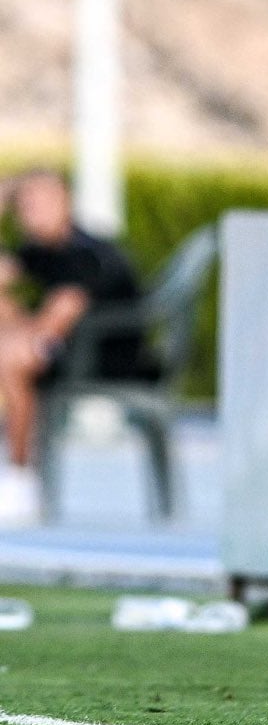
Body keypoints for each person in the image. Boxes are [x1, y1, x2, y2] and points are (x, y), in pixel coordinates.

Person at [0, 170, 154, 526]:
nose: (31, 212)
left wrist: (24, 343)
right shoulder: (38, 252)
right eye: (24, 205)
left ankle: (20, 480)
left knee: (11, 360)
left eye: (40, 202)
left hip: (105, 357)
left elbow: (60, 316)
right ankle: (18, 477)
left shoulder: (84, 253)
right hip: (67, 350)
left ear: (65, 202)